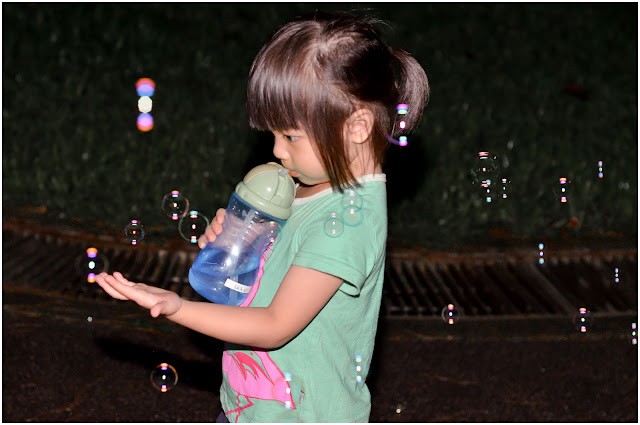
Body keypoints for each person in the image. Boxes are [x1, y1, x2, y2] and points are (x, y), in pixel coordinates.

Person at [95, 10, 429, 423]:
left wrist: (177, 306)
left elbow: (274, 324)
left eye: (290, 135)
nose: (277, 150)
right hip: (253, 409)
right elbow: (265, 279)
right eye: (273, 134)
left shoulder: (349, 225)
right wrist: (238, 246)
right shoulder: (314, 186)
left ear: (356, 127)